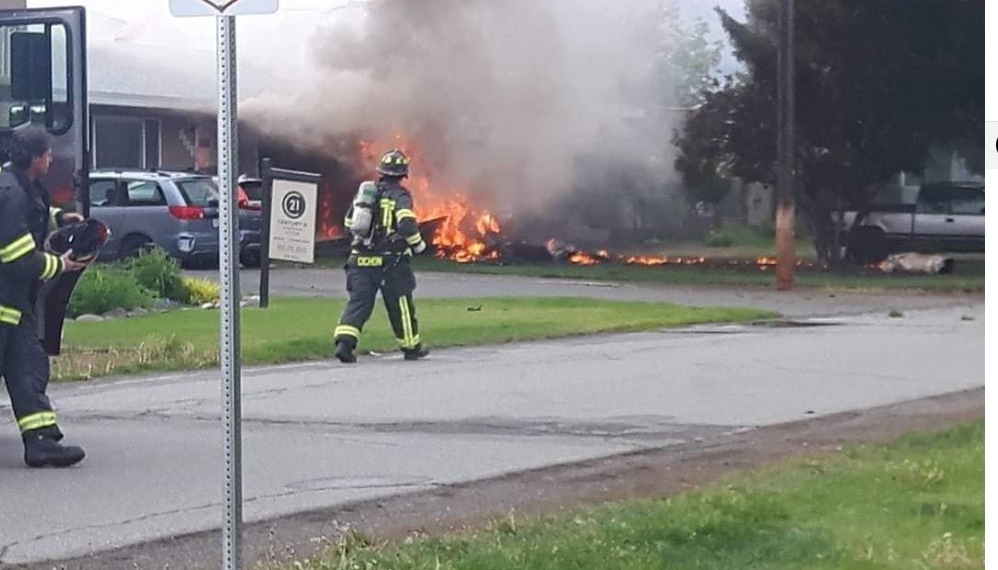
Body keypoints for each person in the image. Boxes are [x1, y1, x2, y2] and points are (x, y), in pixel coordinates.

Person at [0, 126, 88, 468]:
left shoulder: (20, 187)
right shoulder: (11, 193)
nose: (52, 158)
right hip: (6, 304)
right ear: (35, 158)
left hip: (13, 309)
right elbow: (17, 256)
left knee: (28, 370)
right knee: (26, 367)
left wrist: (60, 217)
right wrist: (60, 264)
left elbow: (29, 216)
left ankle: (41, 442)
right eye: (48, 153)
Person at [333, 149, 431, 363]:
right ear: (403, 174)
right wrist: (419, 245)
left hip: (359, 259)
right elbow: (406, 223)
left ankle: (345, 343)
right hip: (390, 262)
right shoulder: (400, 195)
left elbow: (350, 223)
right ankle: (411, 346)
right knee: (401, 304)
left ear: (382, 172)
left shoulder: (366, 194)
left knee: (358, 303)